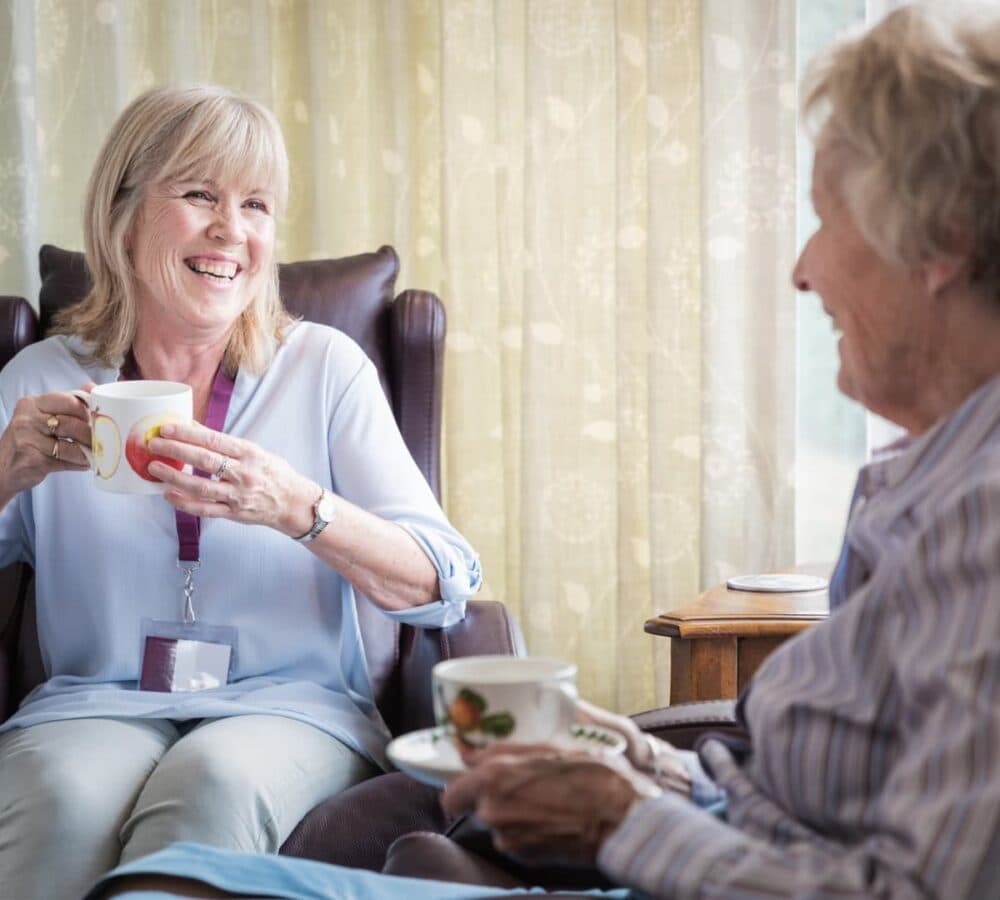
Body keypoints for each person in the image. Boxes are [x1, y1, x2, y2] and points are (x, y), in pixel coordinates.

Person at [87, 4, 1000, 899]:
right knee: (161, 865)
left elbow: (912, 882)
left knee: (193, 848)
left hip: (298, 725)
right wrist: (620, 754)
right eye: (198, 196)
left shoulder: (980, 525)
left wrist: (624, 823)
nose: (803, 270)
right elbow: (782, 800)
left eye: (827, 220)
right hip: (93, 716)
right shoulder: (911, 483)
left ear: (941, 246)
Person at [0, 84, 482, 899]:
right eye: (199, 195)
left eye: (255, 204)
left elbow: (444, 585)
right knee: (58, 797)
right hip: (93, 705)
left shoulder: (324, 369)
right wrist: (5, 470)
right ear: (122, 215)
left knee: (214, 782)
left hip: (291, 709)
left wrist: (298, 509)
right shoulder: (42, 379)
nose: (233, 230)